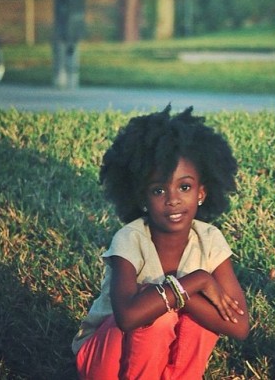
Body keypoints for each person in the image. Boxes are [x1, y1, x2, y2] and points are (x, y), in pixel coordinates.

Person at [72, 105, 249, 379]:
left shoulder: (209, 239)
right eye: (158, 190)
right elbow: (128, 317)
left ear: (202, 192)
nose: (173, 199)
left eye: (185, 187)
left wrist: (181, 296)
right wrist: (197, 281)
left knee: (198, 319)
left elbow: (238, 327)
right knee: (159, 314)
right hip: (107, 361)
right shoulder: (131, 239)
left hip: (159, 359)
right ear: (141, 197)